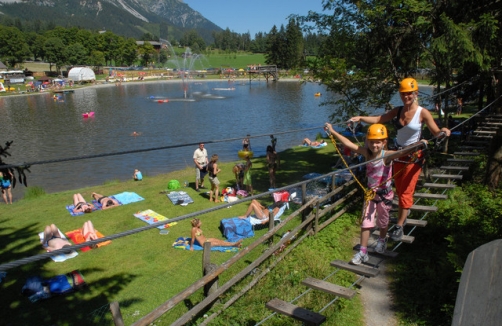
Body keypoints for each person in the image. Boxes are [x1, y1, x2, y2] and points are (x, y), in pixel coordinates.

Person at [350, 77, 450, 241]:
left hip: (413, 157)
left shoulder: (422, 113)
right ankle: (402, 216)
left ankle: (399, 226)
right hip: (396, 154)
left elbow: (436, 132)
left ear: (415, 93)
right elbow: (378, 119)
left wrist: (444, 131)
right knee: (398, 189)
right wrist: (360, 118)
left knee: (405, 192)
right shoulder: (397, 111)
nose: (406, 97)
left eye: (409, 94)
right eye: (403, 94)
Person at [326, 123, 428, 264]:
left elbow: (402, 152)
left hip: (385, 196)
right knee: (366, 223)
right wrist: (332, 131)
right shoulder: (367, 153)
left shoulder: (387, 156)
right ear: (367, 141)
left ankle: (381, 240)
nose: (374, 145)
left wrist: (418, 145)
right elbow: (349, 143)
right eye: (372, 142)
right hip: (371, 195)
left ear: (384, 142)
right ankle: (363, 252)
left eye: (378, 142)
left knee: (383, 222)